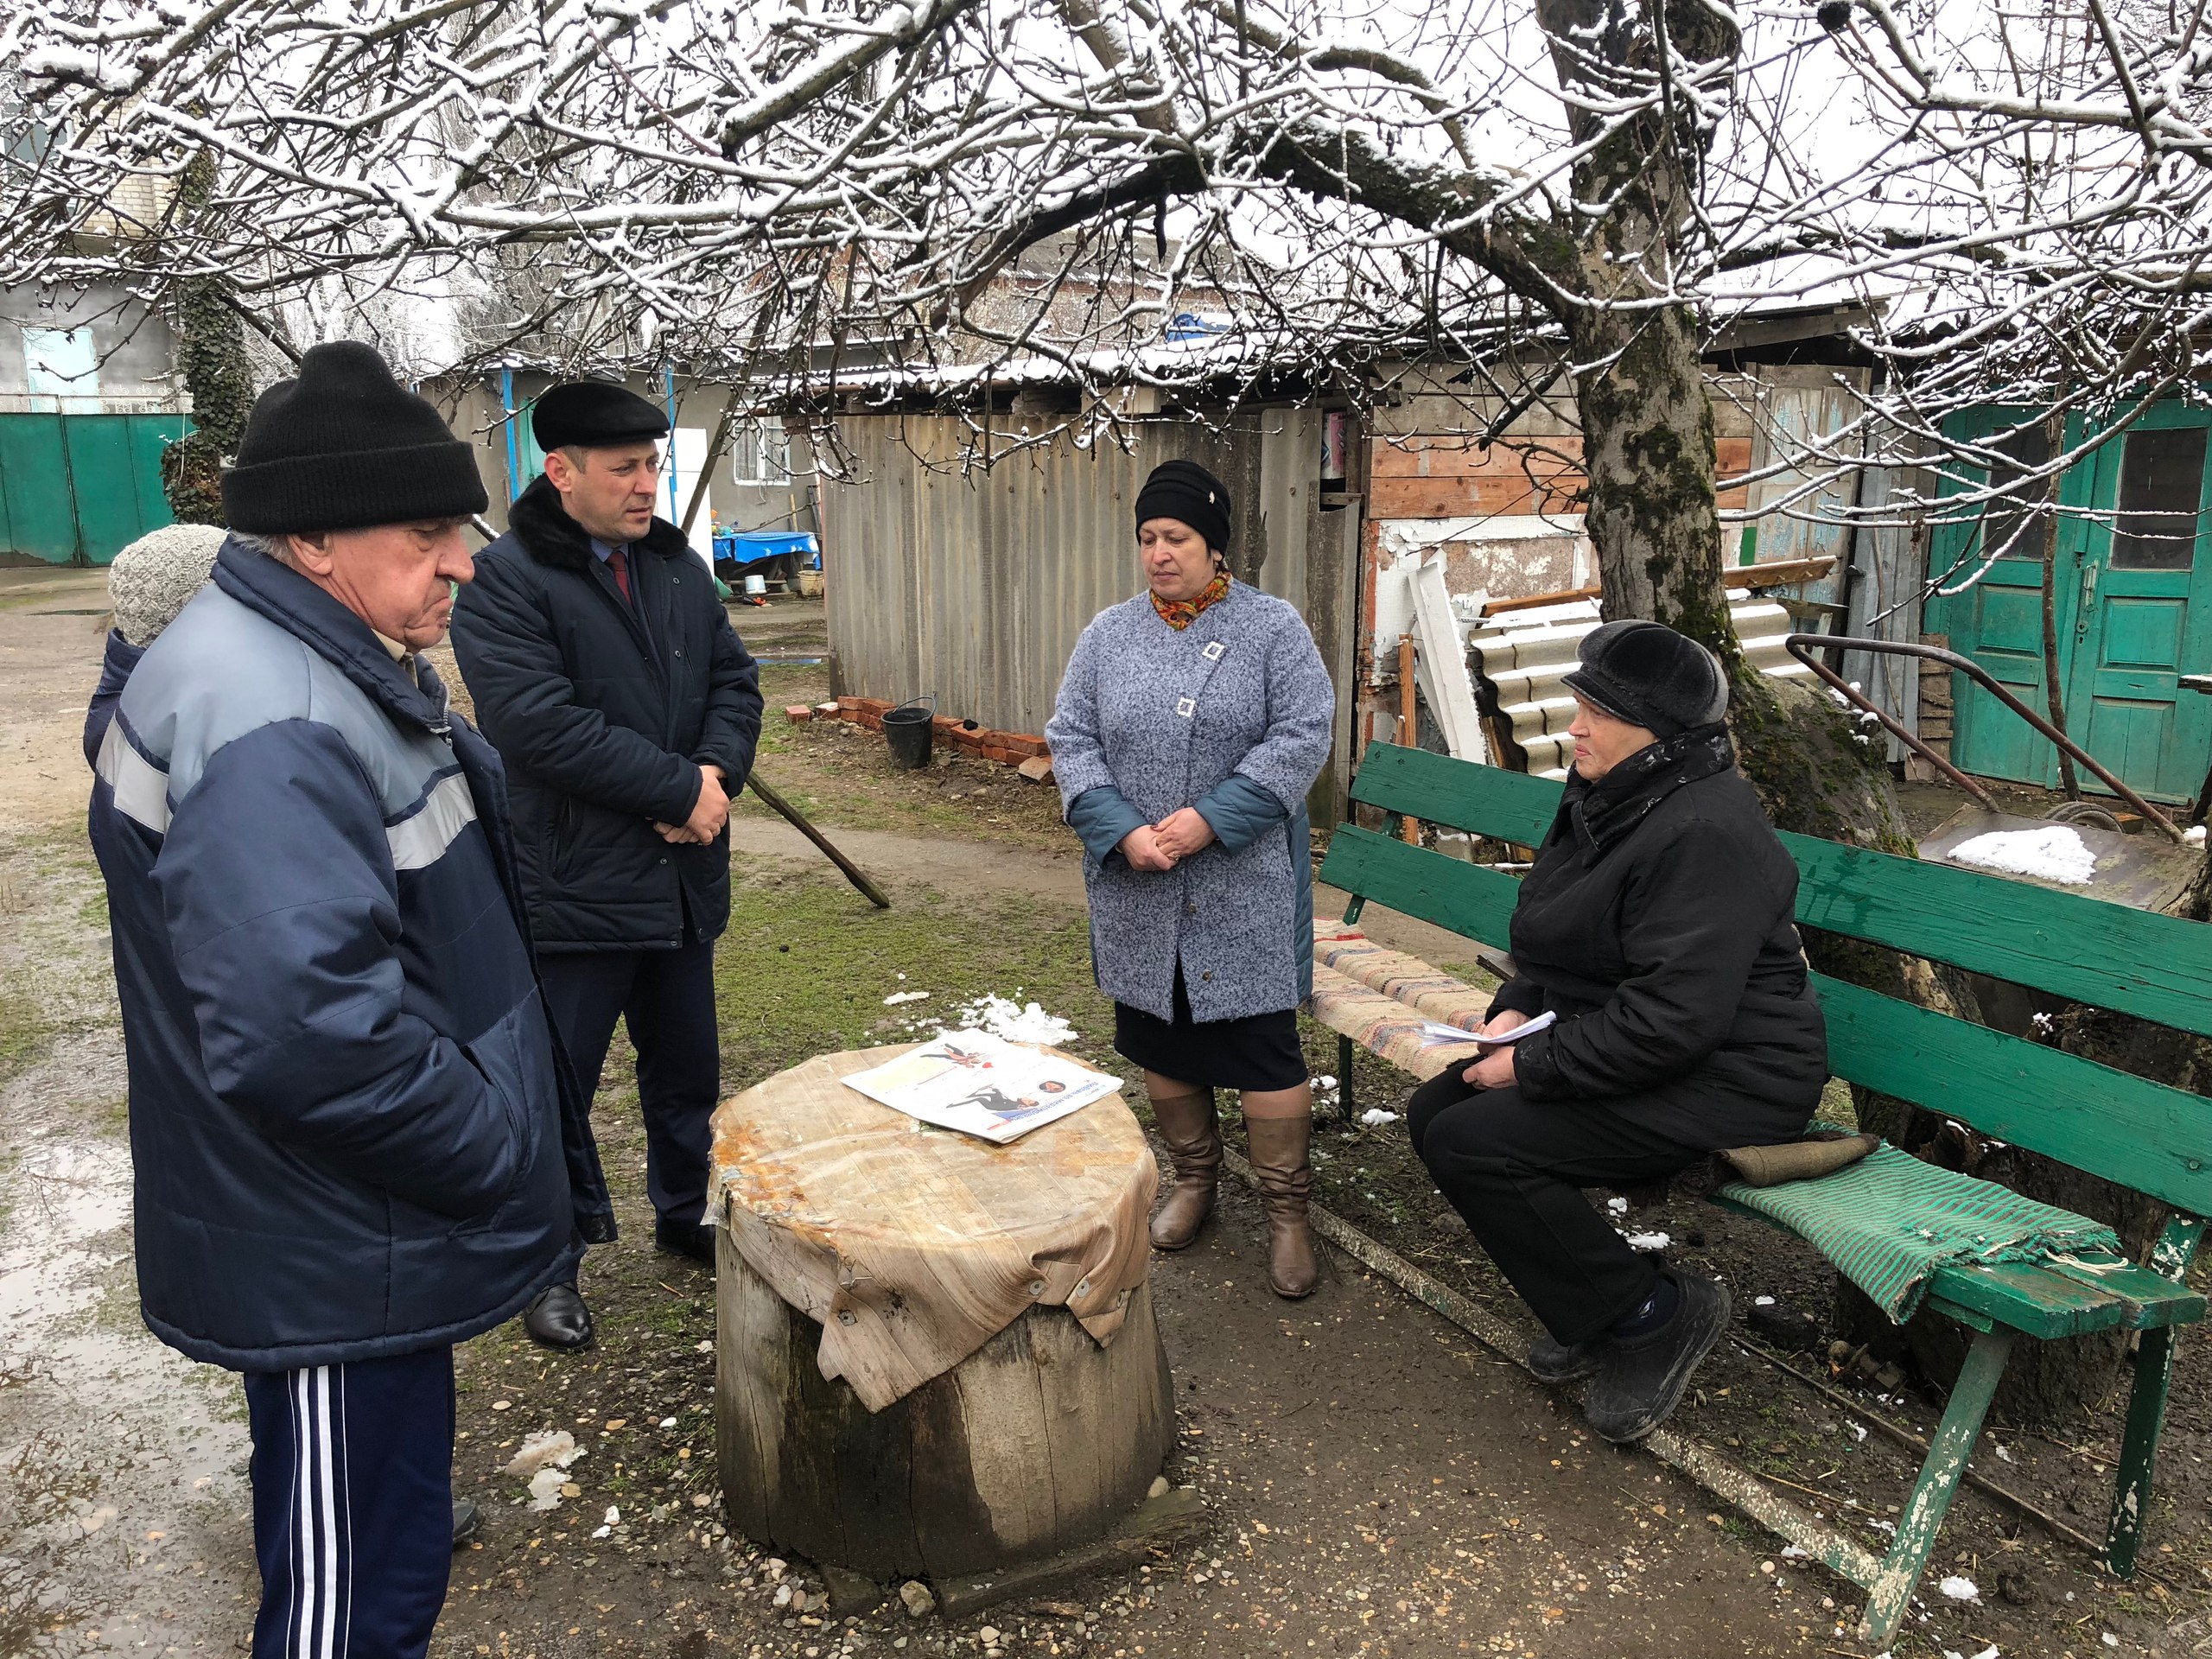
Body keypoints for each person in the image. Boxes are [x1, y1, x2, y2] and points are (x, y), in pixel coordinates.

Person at [85, 341, 607, 1656]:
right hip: (330, 1245)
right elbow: (308, 1040)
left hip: (348, 1228)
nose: (464, 563)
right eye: (429, 532)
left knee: (379, 1561)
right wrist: (496, 1147)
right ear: (310, 537)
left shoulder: (299, 661)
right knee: (345, 1606)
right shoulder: (274, 713)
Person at [1404, 619, 1828, 1445]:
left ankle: (1653, 1315)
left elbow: (1674, 1019)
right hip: (1650, 1041)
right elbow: (1570, 935)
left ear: (1660, 735)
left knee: (1478, 1141)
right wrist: (1519, 1004)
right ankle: (1604, 1309)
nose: (1575, 727)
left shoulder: (1704, 832)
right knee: (1435, 1115)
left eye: (1597, 712)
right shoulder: (1617, 792)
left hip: (1735, 1076)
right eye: (1579, 704)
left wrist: (1531, 1068)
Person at [451, 380, 763, 1350]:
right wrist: (677, 793)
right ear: (561, 471)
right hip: (576, 886)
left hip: (677, 884)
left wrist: (712, 775)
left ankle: (684, 1216)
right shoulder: (508, 580)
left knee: (687, 1073)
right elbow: (536, 727)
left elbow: (734, 681)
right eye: (624, 469)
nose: (645, 486)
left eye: (652, 465)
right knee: (557, 1087)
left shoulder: (673, 567)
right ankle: (546, 1265)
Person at [1046, 460, 1335, 1299]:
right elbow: (1071, 738)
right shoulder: (1107, 633)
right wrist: (1118, 827)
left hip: (1238, 883)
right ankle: (1195, 1181)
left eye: (1175, 537)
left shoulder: (1272, 629)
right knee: (1158, 1033)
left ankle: (1287, 1214)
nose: (1158, 554)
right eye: (1146, 538)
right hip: (1137, 881)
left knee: (1262, 1046)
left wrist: (1210, 818)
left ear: (1214, 544)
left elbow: (1300, 734)